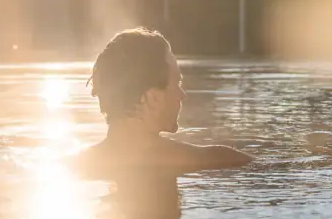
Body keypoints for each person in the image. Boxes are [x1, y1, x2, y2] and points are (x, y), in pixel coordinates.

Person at [74, 27, 252, 178]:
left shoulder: (75, 164)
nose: (182, 95)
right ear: (153, 98)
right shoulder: (217, 159)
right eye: (176, 82)